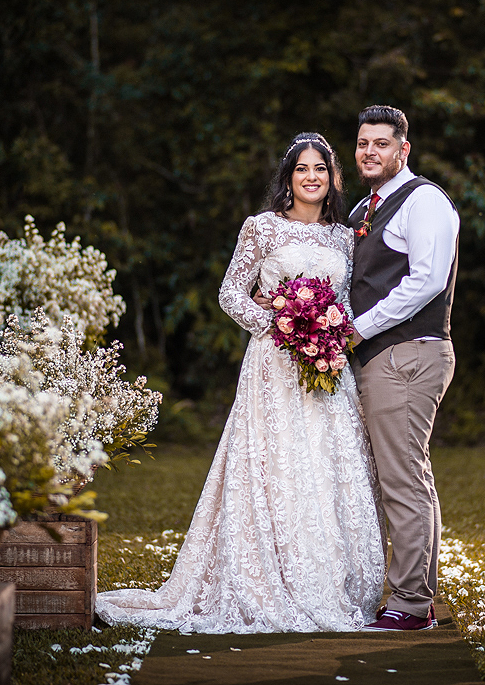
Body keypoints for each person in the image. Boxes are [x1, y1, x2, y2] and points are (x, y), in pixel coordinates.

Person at [95, 133, 386, 634]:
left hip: (327, 369)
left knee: (325, 464)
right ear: (288, 178)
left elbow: (348, 302)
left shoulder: (343, 237)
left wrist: (330, 328)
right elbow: (230, 292)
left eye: (320, 169)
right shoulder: (262, 229)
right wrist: (279, 322)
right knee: (275, 465)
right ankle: (265, 578)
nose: (311, 177)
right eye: (301, 170)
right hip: (272, 364)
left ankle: (329, 583)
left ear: (332, 179)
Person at [348, 105, 459, 632]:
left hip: (407, 355)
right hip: (381, 358)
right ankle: (416, 599)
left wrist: (357, 330)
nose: (370, 152)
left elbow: (426, 281)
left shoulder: (424, 201)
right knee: (409, 479)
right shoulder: (363, 210)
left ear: (403, 149)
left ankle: (411, 606)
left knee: (402, 484)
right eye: (363, 143)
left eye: (381, 143)